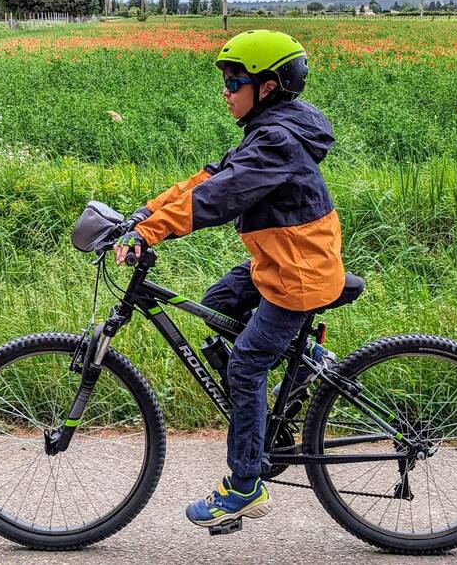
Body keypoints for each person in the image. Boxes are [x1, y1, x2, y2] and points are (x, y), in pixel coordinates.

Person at [113, 29, 345, 529]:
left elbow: (218, 199)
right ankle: (309, 361)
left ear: (268, 86)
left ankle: (245, 485)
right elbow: (211, 178)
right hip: (284, 260)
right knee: (217, 304)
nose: (226, 91)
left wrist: (150, 234)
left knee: (243, 366)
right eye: (225, 81)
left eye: (235, 80)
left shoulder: (277, 141)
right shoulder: (269, 129)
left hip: (296, 275)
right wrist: (143, 214)